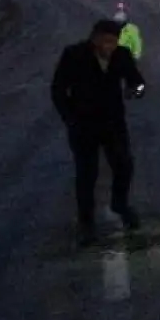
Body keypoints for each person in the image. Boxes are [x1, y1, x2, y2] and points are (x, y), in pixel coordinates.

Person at [50, 18, 146, 244]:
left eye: (113, 42)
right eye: (105, 42)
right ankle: (86, 223)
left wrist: (137, 91)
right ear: (95, 39)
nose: (109, 47)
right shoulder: (74, 55)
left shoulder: (121, 55)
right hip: (83, 125)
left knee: (124, 164)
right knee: (87, 174)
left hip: (113, 122)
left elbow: (137, 81)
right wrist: (69, 117)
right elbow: (58, 89)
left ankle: (120, 203)